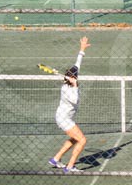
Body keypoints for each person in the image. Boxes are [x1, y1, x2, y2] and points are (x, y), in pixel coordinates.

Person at [49, 36, 90, 173]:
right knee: (82, 140)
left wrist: (82, 49)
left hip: (65, 117)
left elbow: (77, 64)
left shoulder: (72, 79)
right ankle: (70, 166)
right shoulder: (66, 89)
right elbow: (75, 100)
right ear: (73, 78)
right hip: (64, 119)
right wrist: (75, 86)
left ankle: (56, 159)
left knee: (74, 139)